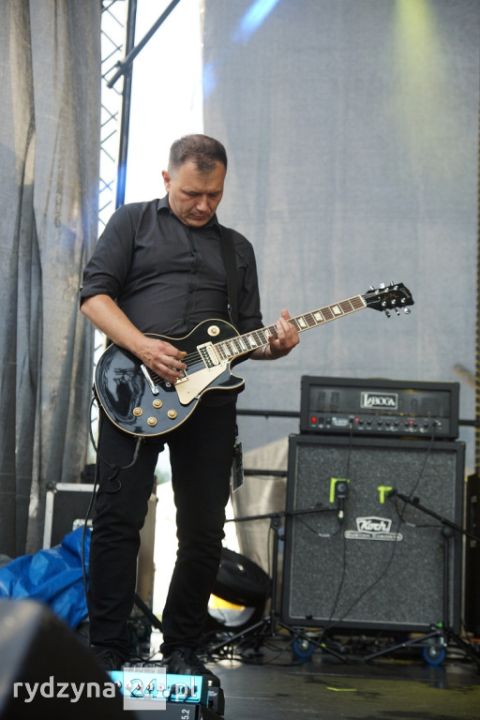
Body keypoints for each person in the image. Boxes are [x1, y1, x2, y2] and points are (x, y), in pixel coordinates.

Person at [79, 134, 299, 680]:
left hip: (211, 402)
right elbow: (94, 297)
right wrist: (143, 346)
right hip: (133, 389)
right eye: (191, 194)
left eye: (214, 195)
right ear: (167, 179)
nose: (203, 205)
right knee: (117, 521)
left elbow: (248, 337)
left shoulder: (237, 249)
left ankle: (183, 646)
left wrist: (275, 346)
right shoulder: (132, 223)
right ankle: (106, 646)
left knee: (203, 530)